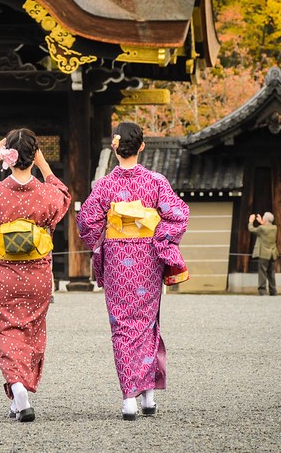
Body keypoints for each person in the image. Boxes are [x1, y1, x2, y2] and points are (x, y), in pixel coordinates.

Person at [77, 121, 189, 421]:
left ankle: (129, 398)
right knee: (146, 323)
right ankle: (148, 396)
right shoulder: (155, 181)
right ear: (141, 146)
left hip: (117, 259)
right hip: (148, 257)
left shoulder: (104, 185)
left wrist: (104, 237)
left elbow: (86, 222)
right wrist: (159, 238)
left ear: (115, 147)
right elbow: (178, 215)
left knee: (122, 326)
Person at [0, 128, 71, 423]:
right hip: (38, 275)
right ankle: (19, 391)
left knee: (1, 328)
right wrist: (44, 165)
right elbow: (64, 196)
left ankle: (17, 386)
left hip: (5, 273)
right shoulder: (48, 194)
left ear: (6, 158)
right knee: (32, 328)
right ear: (33, 157)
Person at [248, 212, 279, 295]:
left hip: (264, 253)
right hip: (272, 253)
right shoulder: (274, 228)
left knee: (262, 272)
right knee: (271, 273)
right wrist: (262, 222)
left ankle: (262, 290)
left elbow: (251, 229)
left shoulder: (262, 228)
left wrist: (251, 221)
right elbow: (266, 228)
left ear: (265, 220)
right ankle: (273, 290)